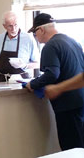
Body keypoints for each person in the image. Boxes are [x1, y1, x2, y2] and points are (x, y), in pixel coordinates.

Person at [25, 13, 84, 151]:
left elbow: (52, 74)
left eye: (35, 33)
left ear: (41, 30)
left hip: (67, 105)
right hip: (80, 101)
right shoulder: (72, 41)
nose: (35, 36)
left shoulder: (50, 46)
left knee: (70, 147)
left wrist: (32, 84)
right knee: (80, 146)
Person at [0, 11, 40, 82]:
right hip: (1, 81)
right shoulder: (0, 38)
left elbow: (37, 64)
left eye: (16, 25)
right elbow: (2, 61)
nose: (14, 29)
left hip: (20, 81)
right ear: (4, 26)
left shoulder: (28, 39)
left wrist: (25, 65)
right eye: (10, 26)